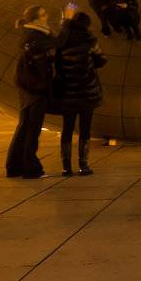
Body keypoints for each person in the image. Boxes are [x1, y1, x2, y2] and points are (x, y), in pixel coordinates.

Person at [52, 11, 105, 176]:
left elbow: (56, 64)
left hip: (68, 92)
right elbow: (101, 60)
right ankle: (83, 164)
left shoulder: (62, 40)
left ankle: (66, 166)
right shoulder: (89, 40)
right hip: (87, 91)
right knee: (85, 128)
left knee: (67, 128)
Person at [6, 5, 56, 178]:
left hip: (28, 88)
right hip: (35, 89)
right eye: (43, 14)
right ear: (35, 19)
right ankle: (30, 169)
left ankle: (14, 167)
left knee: (24, 127)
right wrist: (68, 23)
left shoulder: (30, 34)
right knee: (32, 130)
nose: (47, 16)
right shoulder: (36, 36)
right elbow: (57, 43)